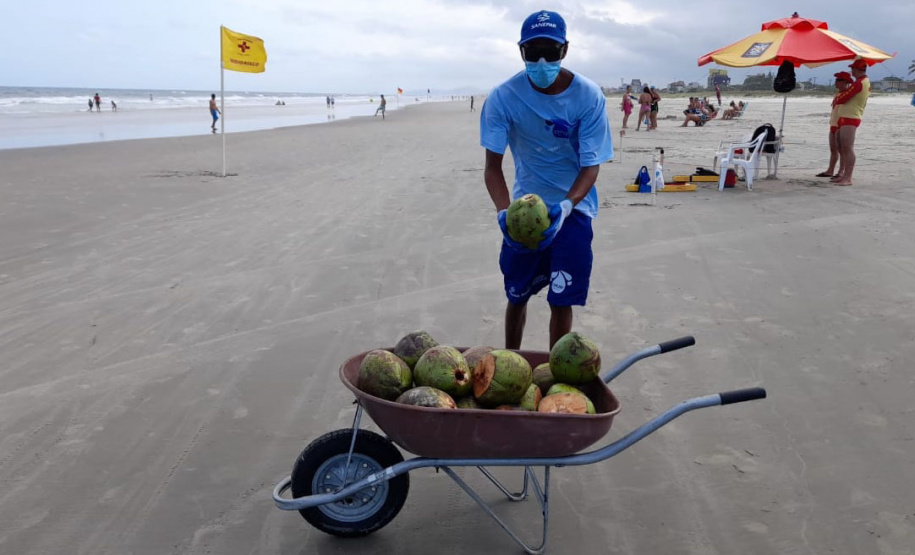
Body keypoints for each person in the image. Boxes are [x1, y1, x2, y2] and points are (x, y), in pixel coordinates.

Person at [480, 10, 613, 349]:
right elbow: (492, 167)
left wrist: (568, 206)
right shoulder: (503, 97)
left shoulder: (588, 96)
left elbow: (591, 164)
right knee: (517, 293)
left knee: (561, 297)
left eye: (550, 52)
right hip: (523, 211)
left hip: (575, 210)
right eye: (532, 52)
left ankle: (557, 370)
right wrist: (503, 211)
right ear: (521, 51)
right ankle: (511, 356)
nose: (541, 60)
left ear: (564, 50)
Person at [831, 59, 871, 186]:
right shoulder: (861, 82)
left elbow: (843, 97)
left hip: (851, 116)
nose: (852, 70)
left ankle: (847, 177)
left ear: (858, 69)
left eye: (853, 68)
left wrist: (838, 100)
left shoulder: (860, 83)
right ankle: (843, 174)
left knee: (847, 147)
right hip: (846, 116)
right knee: (842, 147)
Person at [816, 72, 851, 178]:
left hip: (841, 124)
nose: (836, 82)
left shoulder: (848, 94)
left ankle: (841, 171)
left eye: (839, 80)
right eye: (836, 80)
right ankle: (830, 170)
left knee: (842, 150)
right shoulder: (837, 94)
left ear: (845, 82)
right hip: (833, 124)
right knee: (833, 149)